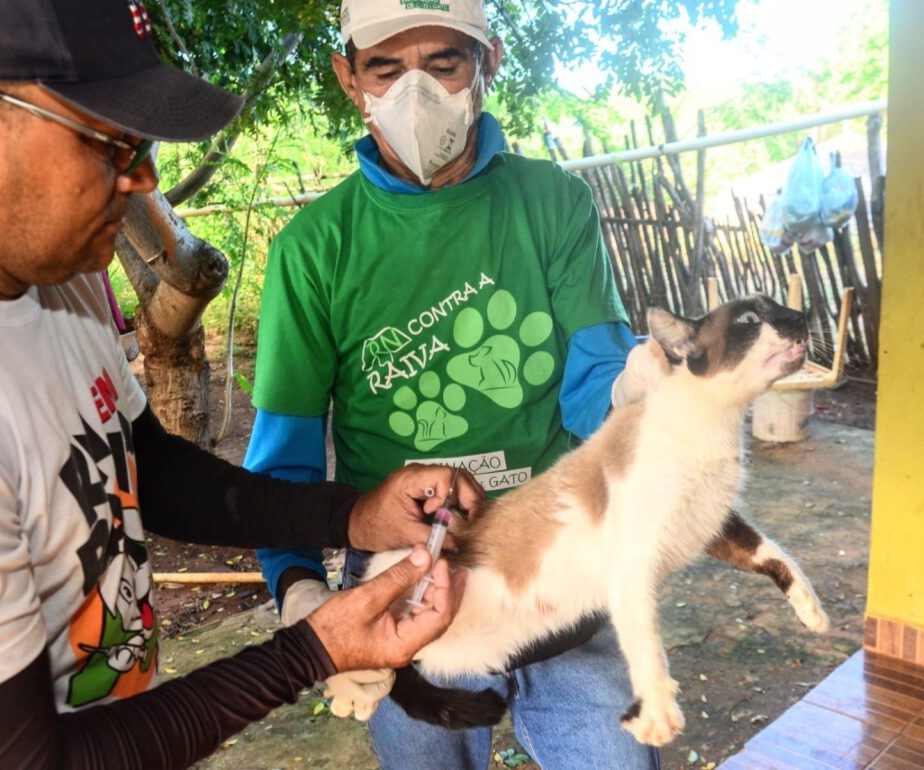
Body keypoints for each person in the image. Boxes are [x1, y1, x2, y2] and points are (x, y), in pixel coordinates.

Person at [0, 1, 485, 768]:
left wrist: (355, 515)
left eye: (143, 144)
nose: (144, 180)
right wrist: (311, 650)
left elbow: (148, 469)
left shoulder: (57, 282)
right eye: (110, 143)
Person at [247, 1, 661, 767]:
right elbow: (285, 459)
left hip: (555, 561)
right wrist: (301, 588)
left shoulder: (552, 203)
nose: (417, 93)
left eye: (444, 64)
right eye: (385, 69)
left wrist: (634, 389)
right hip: (403, 584)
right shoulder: (314, 250)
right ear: (347, 78)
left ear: (488, 63)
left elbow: (594, 380)